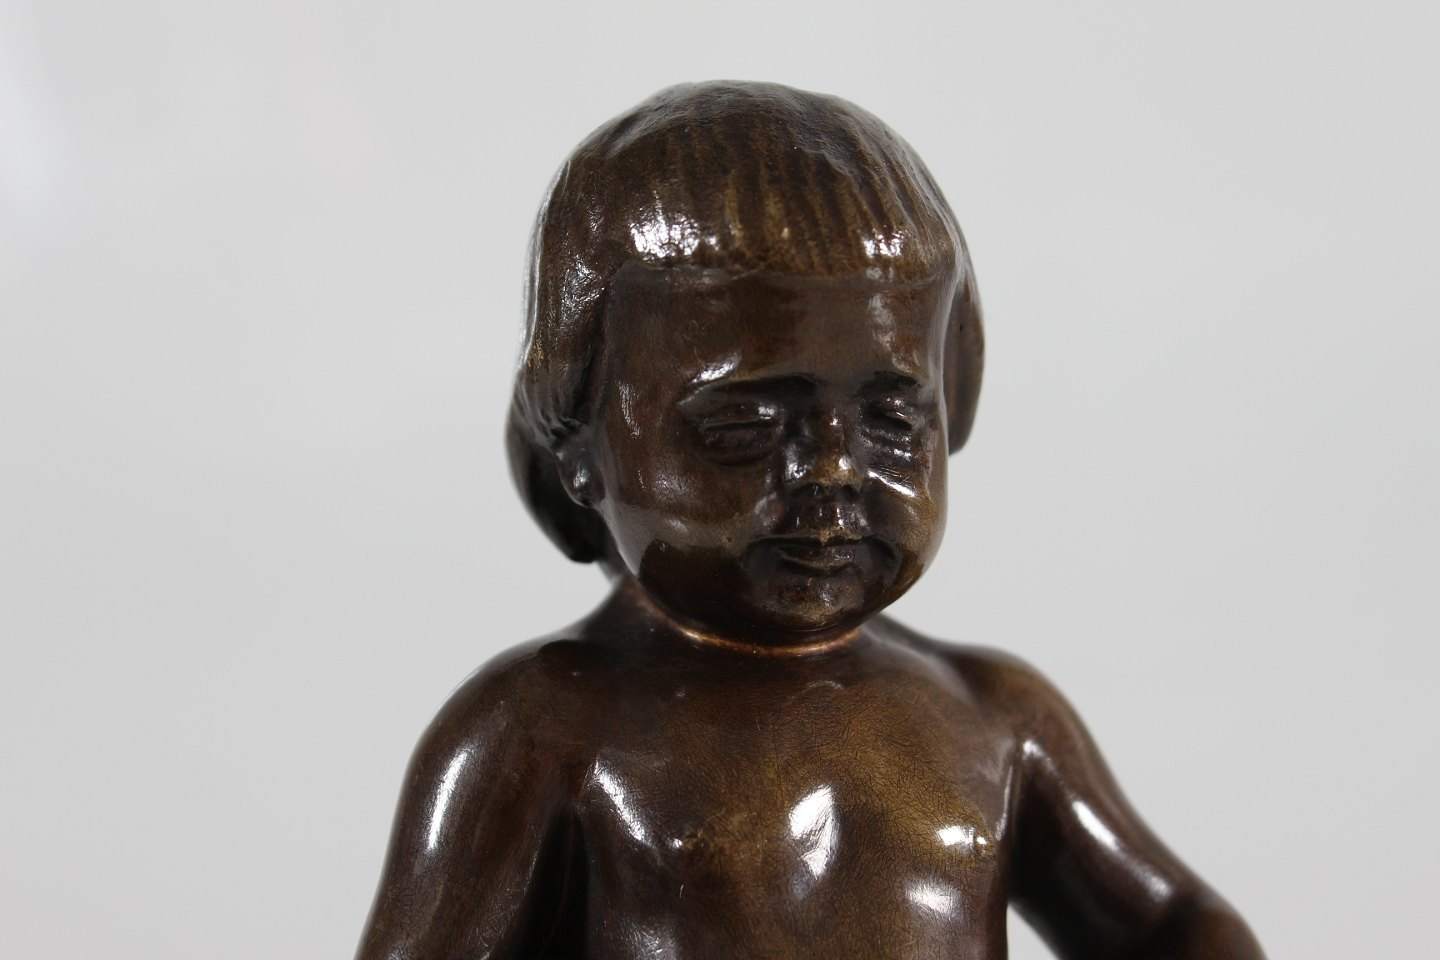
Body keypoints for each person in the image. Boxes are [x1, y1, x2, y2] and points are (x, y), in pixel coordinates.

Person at [356, 81, 1266, 960]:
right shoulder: (543, 732)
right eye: (744, 428)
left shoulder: (995, 718)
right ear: (579, 451)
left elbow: (1174, 924)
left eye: (892, 420)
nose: (832, 470)